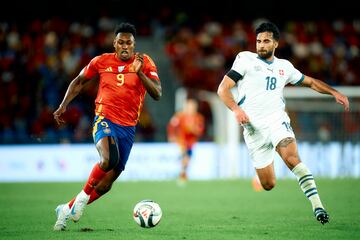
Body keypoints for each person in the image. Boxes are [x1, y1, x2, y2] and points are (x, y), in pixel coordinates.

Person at [217, 21, 349, 224]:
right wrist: (236, 109)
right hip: (253, 129)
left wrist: (334, 92)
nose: (261, 45)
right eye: (258, 41)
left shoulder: (284, 67)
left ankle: (318, 207)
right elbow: (223, 89)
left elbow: (311, 82)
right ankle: (271, 152)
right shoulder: (244, 59)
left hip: (277, 121)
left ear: (276, 44)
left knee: (291, 159)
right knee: (268, 184)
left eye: (266, 41)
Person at [52, 22, 162, 231]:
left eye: (128, 43)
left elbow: (157, 93)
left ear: (133, 44)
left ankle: (66, 209)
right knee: (109, 159)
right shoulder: (101, 61)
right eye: (120, 42)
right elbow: (78, 81)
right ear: (114, 43)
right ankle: (82, 199)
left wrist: (140, 73)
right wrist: (63, 105)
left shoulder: (144, 62)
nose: (124, 46)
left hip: (128, 128)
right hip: (105, 118)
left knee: (105, 184)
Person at [167, 98, 205, 183]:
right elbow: (171, 126)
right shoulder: (180, 116)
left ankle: (183, 173)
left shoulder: (198, 117)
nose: (191, 108)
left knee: (187, 159)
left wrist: (193, 129)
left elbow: (200, 131)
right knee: (185, 156)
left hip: (191, 142)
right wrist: (171, 135)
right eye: (189, 106)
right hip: (181, 140)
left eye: (193, 106)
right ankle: (182, 174)